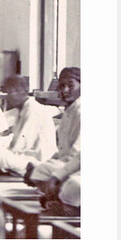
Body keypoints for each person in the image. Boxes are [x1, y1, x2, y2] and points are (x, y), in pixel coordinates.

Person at [0, 75, 57, 176]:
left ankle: (3, 167)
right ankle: (2, 166)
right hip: (25, 156)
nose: (11, 96)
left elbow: (20, 145)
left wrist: (0, 157)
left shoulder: (34, 110)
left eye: (15, 91)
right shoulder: (20, 110)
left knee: (1, 155)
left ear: (25, 91)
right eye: (9, 92)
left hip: (37, 161)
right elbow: (14, 145)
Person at [27, 67, 81, 200]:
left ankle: (55, 192)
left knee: (44, 172)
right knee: (38, 169)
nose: (65, 90)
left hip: (76, 166)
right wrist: (50, 162)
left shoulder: (81, 111)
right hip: (67, 163)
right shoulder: (69, 111)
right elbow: (62, 150)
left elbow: (76, 154)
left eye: (71, 85)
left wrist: (58, 172)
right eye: (62, 86)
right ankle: (54, 191)